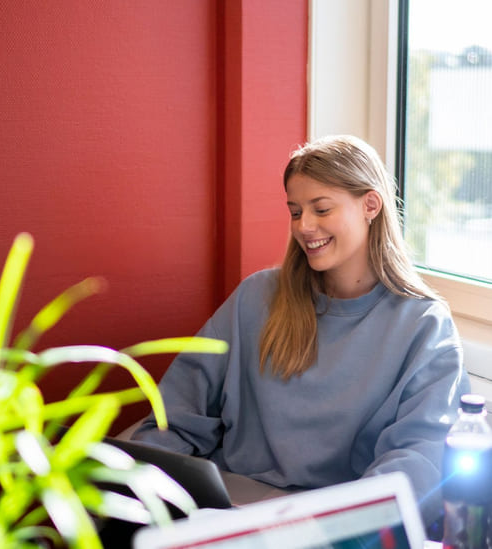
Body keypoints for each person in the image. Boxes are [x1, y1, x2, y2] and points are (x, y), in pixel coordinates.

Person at [132, 134, 470, 532]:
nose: (305, 227)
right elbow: (176, 413)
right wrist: (130, 488)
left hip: (335, 528)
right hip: (226, 514)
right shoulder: (255, 298)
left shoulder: (424, 324)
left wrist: (336, 528)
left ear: (371, 205)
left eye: (321, 209)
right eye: (295, 212)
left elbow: (421, 460)